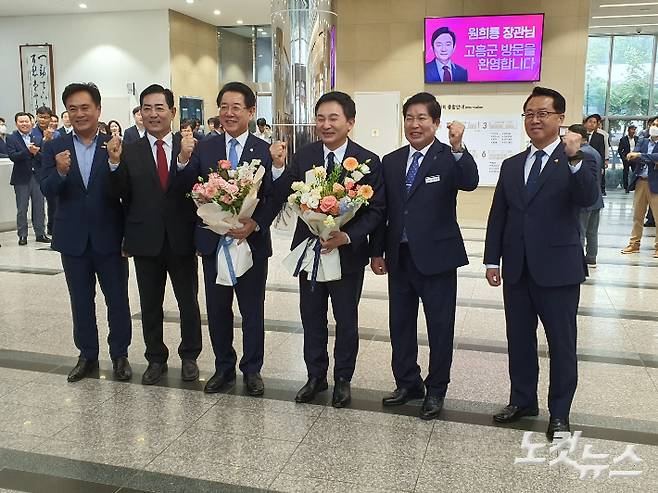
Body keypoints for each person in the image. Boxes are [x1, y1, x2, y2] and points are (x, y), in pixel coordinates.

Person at [484, 87, 599, 441]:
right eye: (529, 113)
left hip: (559, 269)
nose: (535, 119)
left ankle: (560, 413)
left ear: (560, 119)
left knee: (561, 344)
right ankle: (522, 401)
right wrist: (492, 260)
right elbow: (499, 215)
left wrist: (575, 159)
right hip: (517, 269)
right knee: (519, 340)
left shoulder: (580, 159)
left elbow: (589, 198)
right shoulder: (512, 164)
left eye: (543, 113)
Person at [263, 91, 385, 408]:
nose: (326, 125)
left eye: (334, 118)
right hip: (310, 252)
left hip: (346, 255)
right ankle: (316, 376)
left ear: (350, 122)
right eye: (321, 118)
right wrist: (278, 168)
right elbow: (284, 195)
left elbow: (376, 211)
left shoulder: (368, 161)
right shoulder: (304, 156)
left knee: (346, 320)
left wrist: (347, 236)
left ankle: (343, 379)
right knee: (311, 318)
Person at [369, 92, 478, 420]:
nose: (414, 125)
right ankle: (407, 382)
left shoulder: (448, 157)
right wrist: (377, 252)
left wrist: (459, 147)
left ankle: (436, 389)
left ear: (436, 123)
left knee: (440, 327)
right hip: (399, 257)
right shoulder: (391, 160)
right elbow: (382, 210)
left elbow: (470, 182)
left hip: (438, 258)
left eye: (422, 118)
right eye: (409, 118)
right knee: (399, 324)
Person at [106, 84, 202, 385]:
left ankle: (189, 356)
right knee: (149, 304)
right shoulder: (129, 150)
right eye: (147, 108)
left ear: (172, 112)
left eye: (159, 108)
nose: (153, 114)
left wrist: (185, 160)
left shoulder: (190, 147)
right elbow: (119, 195)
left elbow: (200, 191)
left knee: (188, 302)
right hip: (145, 239)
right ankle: (155, 357)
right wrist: (113, 163)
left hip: (182, 238)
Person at [40, 82, 133, 382]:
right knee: (80, 301)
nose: (79, 114)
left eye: (85, 108)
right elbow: (46, 189)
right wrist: (60, 172)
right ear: (66, 113)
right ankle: (87, 355)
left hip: (110, 237)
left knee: (117, 300)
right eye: (73, 109)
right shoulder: (54, 147)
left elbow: (127, 191)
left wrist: (116, 163)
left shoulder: (114, 146)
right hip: (73, 240)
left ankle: (120, 355)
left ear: (98, 110)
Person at [192, 82, 278, 396]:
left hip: (250, 243)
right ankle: (223, 367)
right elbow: (195, 192)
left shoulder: (264, 149)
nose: (229, 113)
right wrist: (215, 221)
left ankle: (252, 370)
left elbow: (272, 197)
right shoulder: (206, 147)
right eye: (224, 107)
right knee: (217, 309)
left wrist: (254, 223)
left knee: (252, 310)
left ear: (251, 112)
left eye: (236, 108)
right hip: (215, 244)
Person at [6, 112, 50, 245]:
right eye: (21, 122)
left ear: (31, 123)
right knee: (22, 208)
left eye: (26, 121)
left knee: (39, 207)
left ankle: (40, 233)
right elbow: (13, 156)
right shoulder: (11, 138)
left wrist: (36, 153)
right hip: (21, 178)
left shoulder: (37, 137)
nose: (24, 124)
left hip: (37, 177)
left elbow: (44, 158)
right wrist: (28, 151)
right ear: (16, 123)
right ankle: (22, 235)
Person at [621, 117, 658, 258]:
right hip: (641, 182)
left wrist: (642, 156)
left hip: (655, 183)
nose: (654, 127)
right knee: (638, 215)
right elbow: (632, 156)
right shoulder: (642, 141)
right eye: (653, 124)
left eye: (657, 125)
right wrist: (648, 158)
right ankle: (634, 244)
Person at [570, 124, 604, 269]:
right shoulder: (594, 151)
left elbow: (584, 180)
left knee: (581, 232)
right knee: (591, 231)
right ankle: (591, 257)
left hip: (586, 201)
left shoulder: (583, 153)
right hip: (596, 200)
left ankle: (577, 259)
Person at [618, 125, 637, 194]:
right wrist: (623, 158)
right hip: (627, 159)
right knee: (626, 173)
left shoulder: (637, 139)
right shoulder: (623, 139)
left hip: (635, 158)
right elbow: (620, 150)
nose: (633, 131)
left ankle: (634, 187)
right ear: (628, 130)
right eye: (632, 129)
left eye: (634, 130)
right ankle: (626, 188)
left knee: (635, 173)